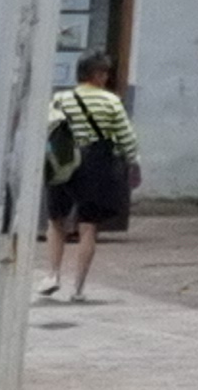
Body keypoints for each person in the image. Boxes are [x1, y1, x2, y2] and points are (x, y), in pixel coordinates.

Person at [39, 55, 139, 301]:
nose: (106, 77)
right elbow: (126, 137)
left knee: (56, 220)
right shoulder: (111, 101)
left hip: (63, 161)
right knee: (88, 226)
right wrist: (132, 160)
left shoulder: (61, 98)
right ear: (98, 75)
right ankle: (78, 288)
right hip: (96, 163)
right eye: (105, 73)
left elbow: (48, 127)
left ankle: (52, 275)